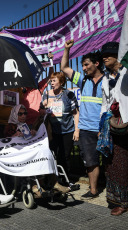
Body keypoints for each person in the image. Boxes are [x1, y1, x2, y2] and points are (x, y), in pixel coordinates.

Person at [61, 39, 104, 199]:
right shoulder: (83, 80)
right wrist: (67, 50)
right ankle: (93, 190)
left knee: (111, 162)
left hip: (103, 129)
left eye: (86, 65)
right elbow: (64, 68)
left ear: (97, 63)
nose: (84, 68)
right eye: (83, 65)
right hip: (86, 129)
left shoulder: (107, 81)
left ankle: (115, 191)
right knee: (90, 161)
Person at [4, 104, 70, 197]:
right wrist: (14, 136)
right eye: (20, 114)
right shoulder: (10, 126)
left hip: (29, 150)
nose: (23, 116)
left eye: (25, 113)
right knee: (36, 156)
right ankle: (35, 186)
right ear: (15, 114)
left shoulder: (24, 125)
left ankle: (54, 182)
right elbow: (5, 142)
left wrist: (33, 133)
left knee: (45, 152)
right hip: (18, 154)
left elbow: (29, 139)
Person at [100, 41, 128, 216]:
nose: (104, 57)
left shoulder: (126, 73)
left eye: (108, 54)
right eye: (103, 55)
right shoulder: (105, 78)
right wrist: (101, 127)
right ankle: (121, 201)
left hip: (126, 121)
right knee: (115, 164)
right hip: (113, 126)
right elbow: (104, 103)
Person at [42, 72, 79, 174]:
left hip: (67, 130)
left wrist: (77, 130)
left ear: (62, 82)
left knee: (65, 156)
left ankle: (65, 179)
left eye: (54, 81)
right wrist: (45, 107)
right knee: (52, 154)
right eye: (51, 81)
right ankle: (53, 178)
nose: (52, 83)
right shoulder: (47, 94)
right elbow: (41, 111)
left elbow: (75, 113)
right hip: (52, 131)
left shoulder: (68, 94)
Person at [20, 52, 54, 125]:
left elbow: (50, 76)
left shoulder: (39, 87)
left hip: (37, 123)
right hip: (23, 124)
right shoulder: (21, 88)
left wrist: (51, 61)